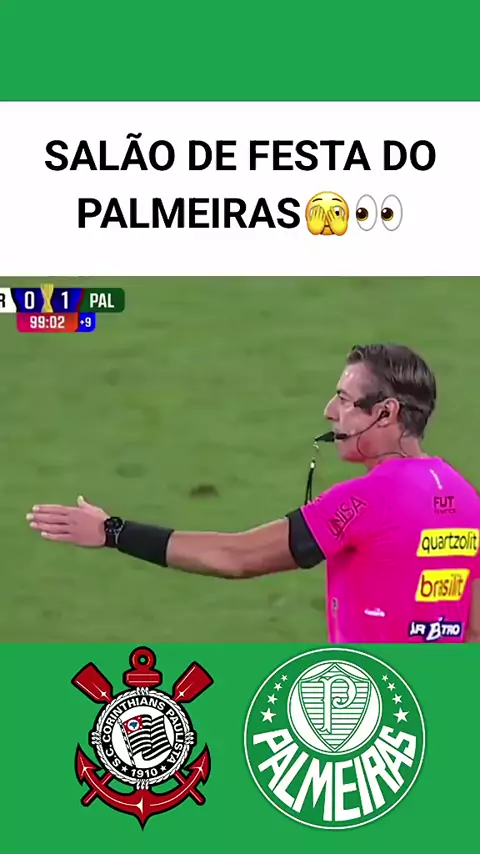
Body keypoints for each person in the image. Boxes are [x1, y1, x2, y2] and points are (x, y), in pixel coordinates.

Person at [26, 343, 480, 644]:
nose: (329, 412)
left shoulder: (362, 501)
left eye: (344, 400)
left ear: (385, 413)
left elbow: (236, 556)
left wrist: (112, 531)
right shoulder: (466, 497)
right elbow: (473, 627)